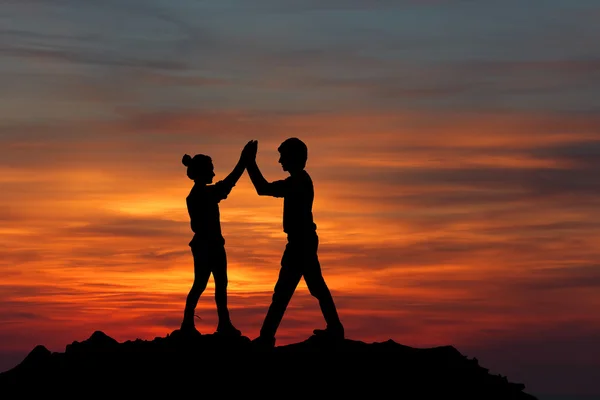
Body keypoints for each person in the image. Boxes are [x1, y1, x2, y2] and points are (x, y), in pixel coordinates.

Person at [244, 138, 344, 347]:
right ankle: (334, 329)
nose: (280, 161)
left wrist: (249, 163)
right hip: (302, 241)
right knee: (311, 288)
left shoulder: (297, 182)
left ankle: (266, 337)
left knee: (285, 292)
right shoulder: (300, 180)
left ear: (293, 158)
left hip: (301, 242)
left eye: (283, 156)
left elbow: (263, 189)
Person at [180, 141, 253, 336]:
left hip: (210, 244)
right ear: (203, 172)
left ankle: (221, 323)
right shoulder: (203, 194)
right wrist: (243, 162)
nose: (213, 174)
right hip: (207, 245)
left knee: (215, 284)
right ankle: (191, 323)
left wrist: (243, 162)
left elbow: (226, 184)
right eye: (211, 170)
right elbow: (228, 183)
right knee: (205, 284)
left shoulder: (198, 194)